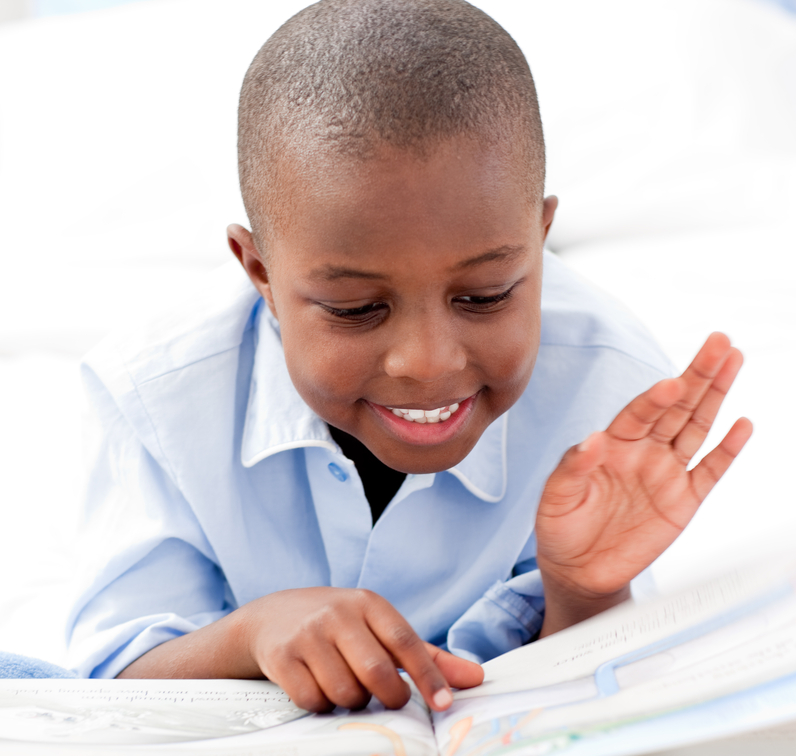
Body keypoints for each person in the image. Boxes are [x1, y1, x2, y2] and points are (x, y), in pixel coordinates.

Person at [66, 0, 752, 712]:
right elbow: (111, 678)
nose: (426, 363)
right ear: (260, 273)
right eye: (356, 309)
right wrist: (251, 634)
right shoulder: (153, 395)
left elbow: (600, 688)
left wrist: (586, 591)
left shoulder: (608, 389)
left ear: (541, 238)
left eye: (485, 296)